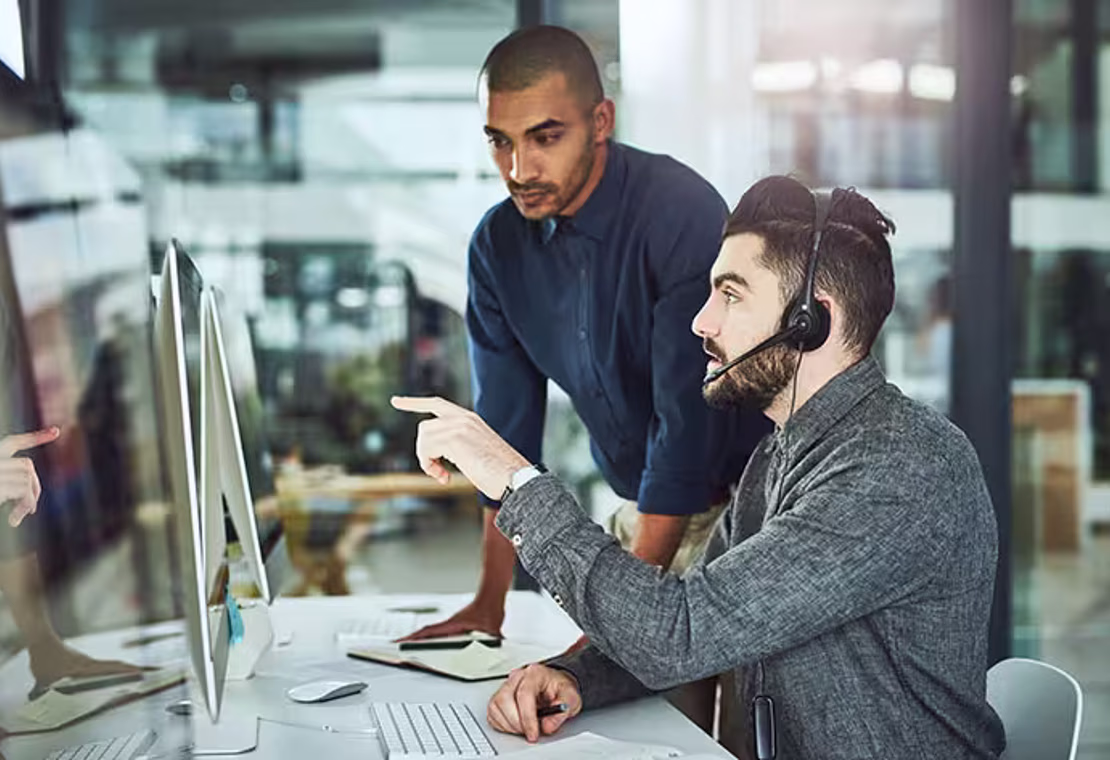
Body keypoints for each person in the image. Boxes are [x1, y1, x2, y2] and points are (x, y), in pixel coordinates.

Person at [392, 176, 1007, 759]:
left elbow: (677, 631)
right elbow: (699, 620)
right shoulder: (778, 456)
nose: (701, 321)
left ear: (810, 320)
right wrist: (575, 677)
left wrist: (513, 478)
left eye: (731, 294)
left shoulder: (897, 468)